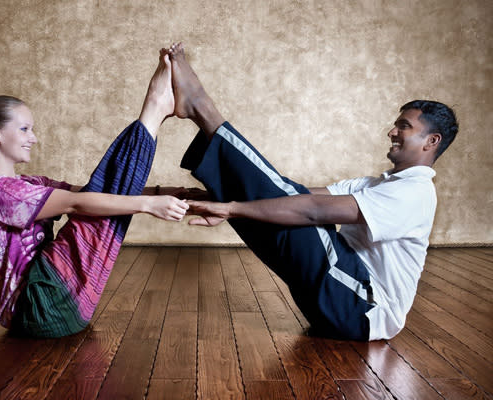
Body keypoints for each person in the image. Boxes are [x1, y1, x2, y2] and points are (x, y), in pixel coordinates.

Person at [167, 42, 458, 341]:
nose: (392, 132)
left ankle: (200, 107)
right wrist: (225, 200)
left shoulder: (415, 193)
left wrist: (231, 209)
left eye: (404, 127)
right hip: (344, 295)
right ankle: (198, 109)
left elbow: (311, 210)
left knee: (300, 215)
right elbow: (294, 194)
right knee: (286, 203)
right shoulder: (375, 185)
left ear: (431, 141)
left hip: (362, 307)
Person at [0, 49, 189, 338]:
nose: (34, 137)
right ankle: (154, 110)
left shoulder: (26, 184)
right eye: (25, 129)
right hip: (36, 311)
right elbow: (78, 204)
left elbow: (94, 192)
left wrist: (169, 193)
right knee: (92, 211)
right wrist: (148, 204)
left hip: (55, 307)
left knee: (100, 199)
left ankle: (154, 111)